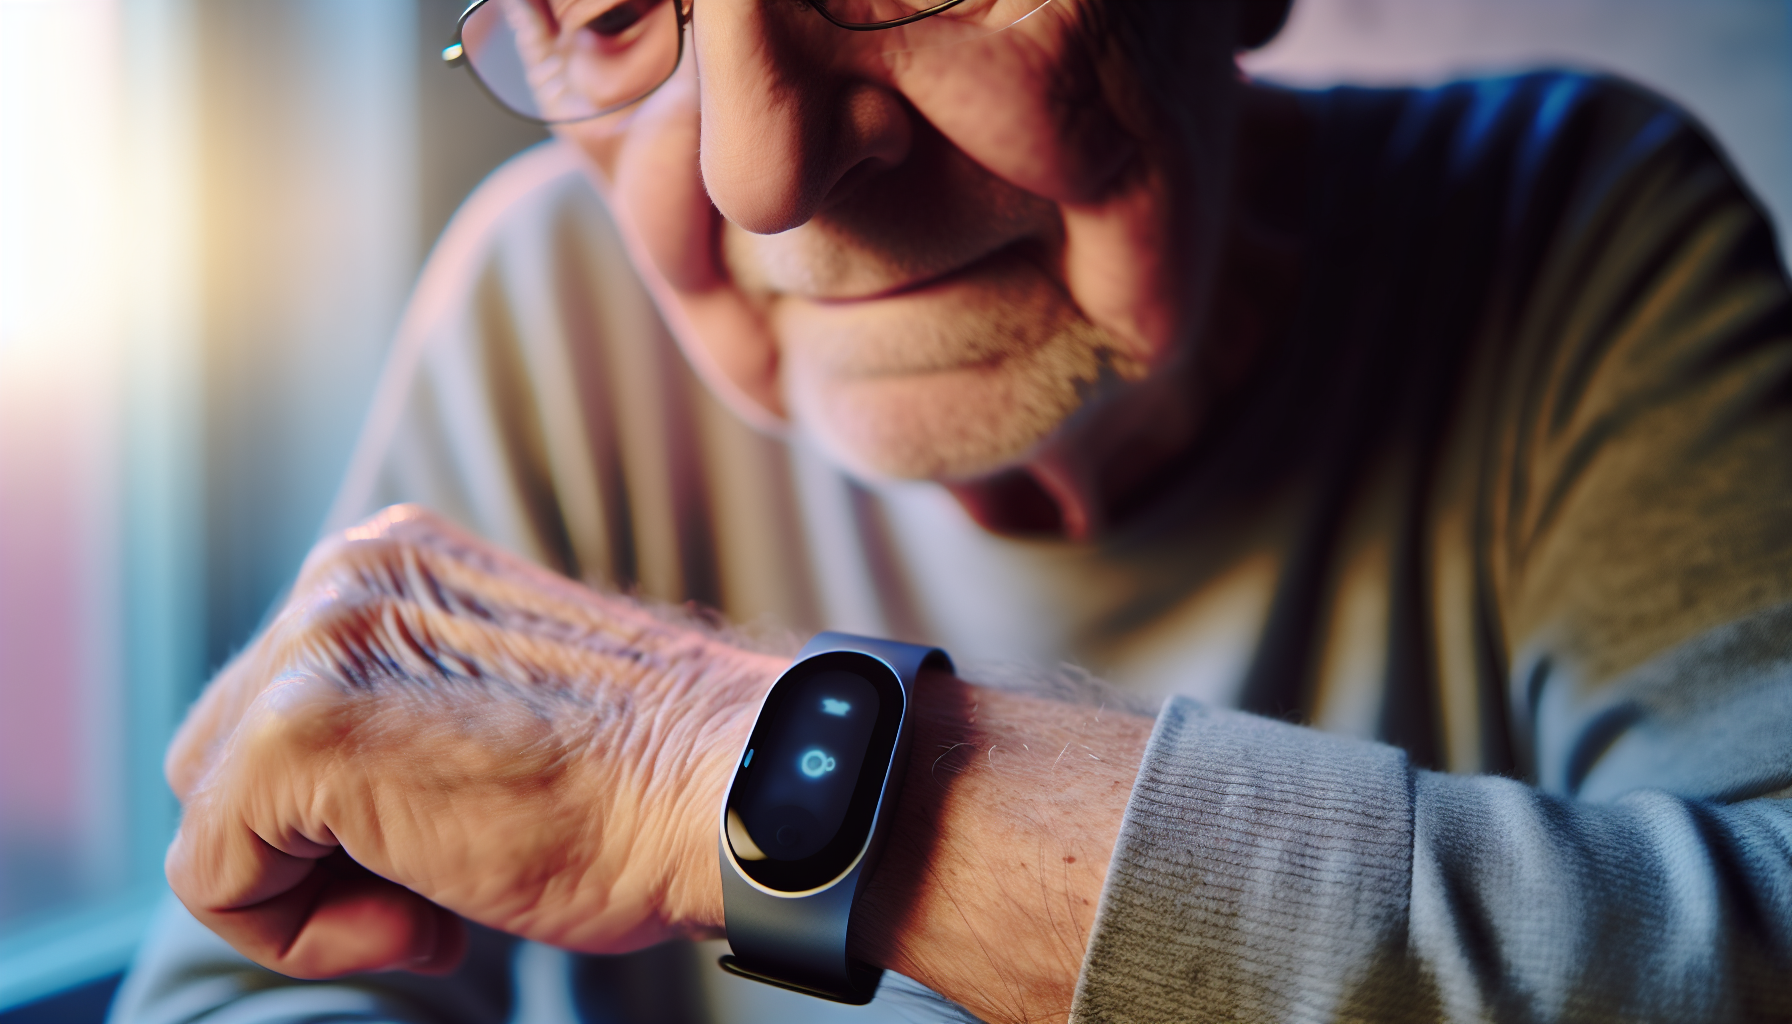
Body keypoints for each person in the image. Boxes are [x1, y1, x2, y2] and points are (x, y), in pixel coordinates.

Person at [113, 0, 1792, 1021]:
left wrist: (713, 762)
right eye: (614, 6)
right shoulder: (547, 303)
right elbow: (258, 967)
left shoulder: (1573, 232)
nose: (756, 172)